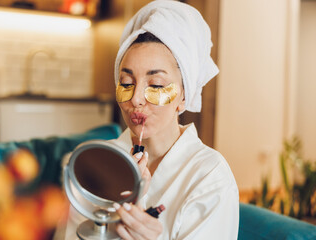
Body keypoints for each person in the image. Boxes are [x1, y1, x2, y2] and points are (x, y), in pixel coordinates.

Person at [61, 0, 239, 239]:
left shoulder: (209, 176)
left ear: (184, 96)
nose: (135, 99)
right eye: (126, 83)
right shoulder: (91, 163)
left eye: (155, 85)